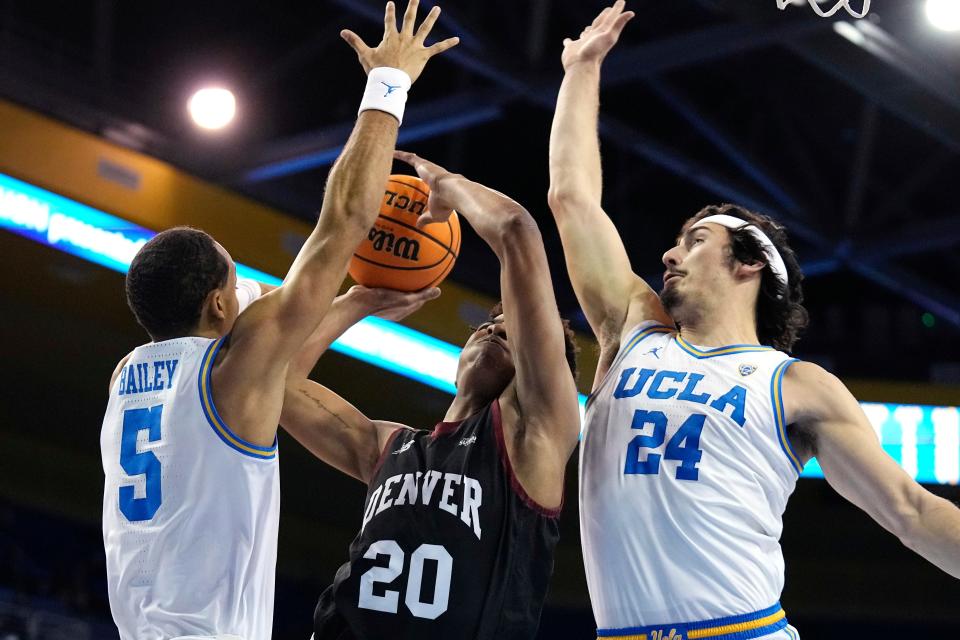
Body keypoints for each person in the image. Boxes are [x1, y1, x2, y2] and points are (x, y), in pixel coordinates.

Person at [547, 3, 960, 639]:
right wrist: (581, 70)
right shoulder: (632, 328)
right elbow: (572, 198)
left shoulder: (797, 385)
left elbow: (909, 510)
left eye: (695, 240)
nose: (669, 252)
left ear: (749, 266)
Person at [99, 3, 458, 639]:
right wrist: (389, 85)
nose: (248, 293)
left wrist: (352, 304)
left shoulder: (130, 375)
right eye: (237, 283)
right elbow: (346, 220)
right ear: (216, 305)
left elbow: (275, 380)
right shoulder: (229, 369)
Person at [278, 151, 582, 640]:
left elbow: (517, 233)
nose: (493, 329)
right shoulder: (390, 447)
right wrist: (358, 302)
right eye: (487, 323)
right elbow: (275, 382)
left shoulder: (533, 437)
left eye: (509, 331)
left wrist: (450, 185)